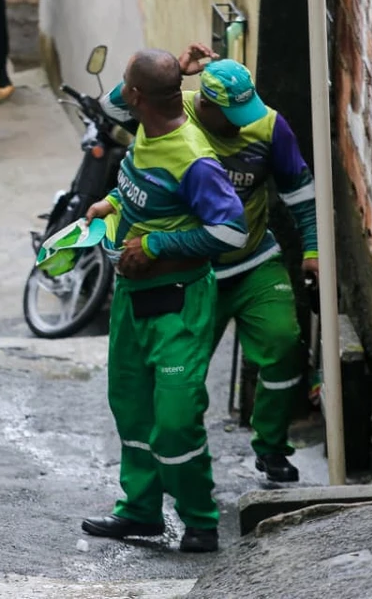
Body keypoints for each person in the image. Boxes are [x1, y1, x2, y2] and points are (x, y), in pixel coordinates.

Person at [99, 45, 318, 484]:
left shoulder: (269, 127)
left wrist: (311, 251)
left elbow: (300, 193)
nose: (245, 123)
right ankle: (179, 473)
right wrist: (173, 72)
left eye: (248, 111)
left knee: (283, 343)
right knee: (182, 382)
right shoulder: (174, 119)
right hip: (194, 276)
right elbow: (113, 106)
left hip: (253, 260)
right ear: (204, 103)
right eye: (233, 115)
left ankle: (272, 447)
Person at [81, 49, 248, 554]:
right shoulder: (148, 126)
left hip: (178, 301)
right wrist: (112, 202)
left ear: (137, 96)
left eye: (127, 88)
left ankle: (199, 519)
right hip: (132, 298)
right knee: (131, 409)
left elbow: (231, 231)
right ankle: (140, 512)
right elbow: (111, 109)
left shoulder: (193, 156)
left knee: (174, 420)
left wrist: (155, 246)